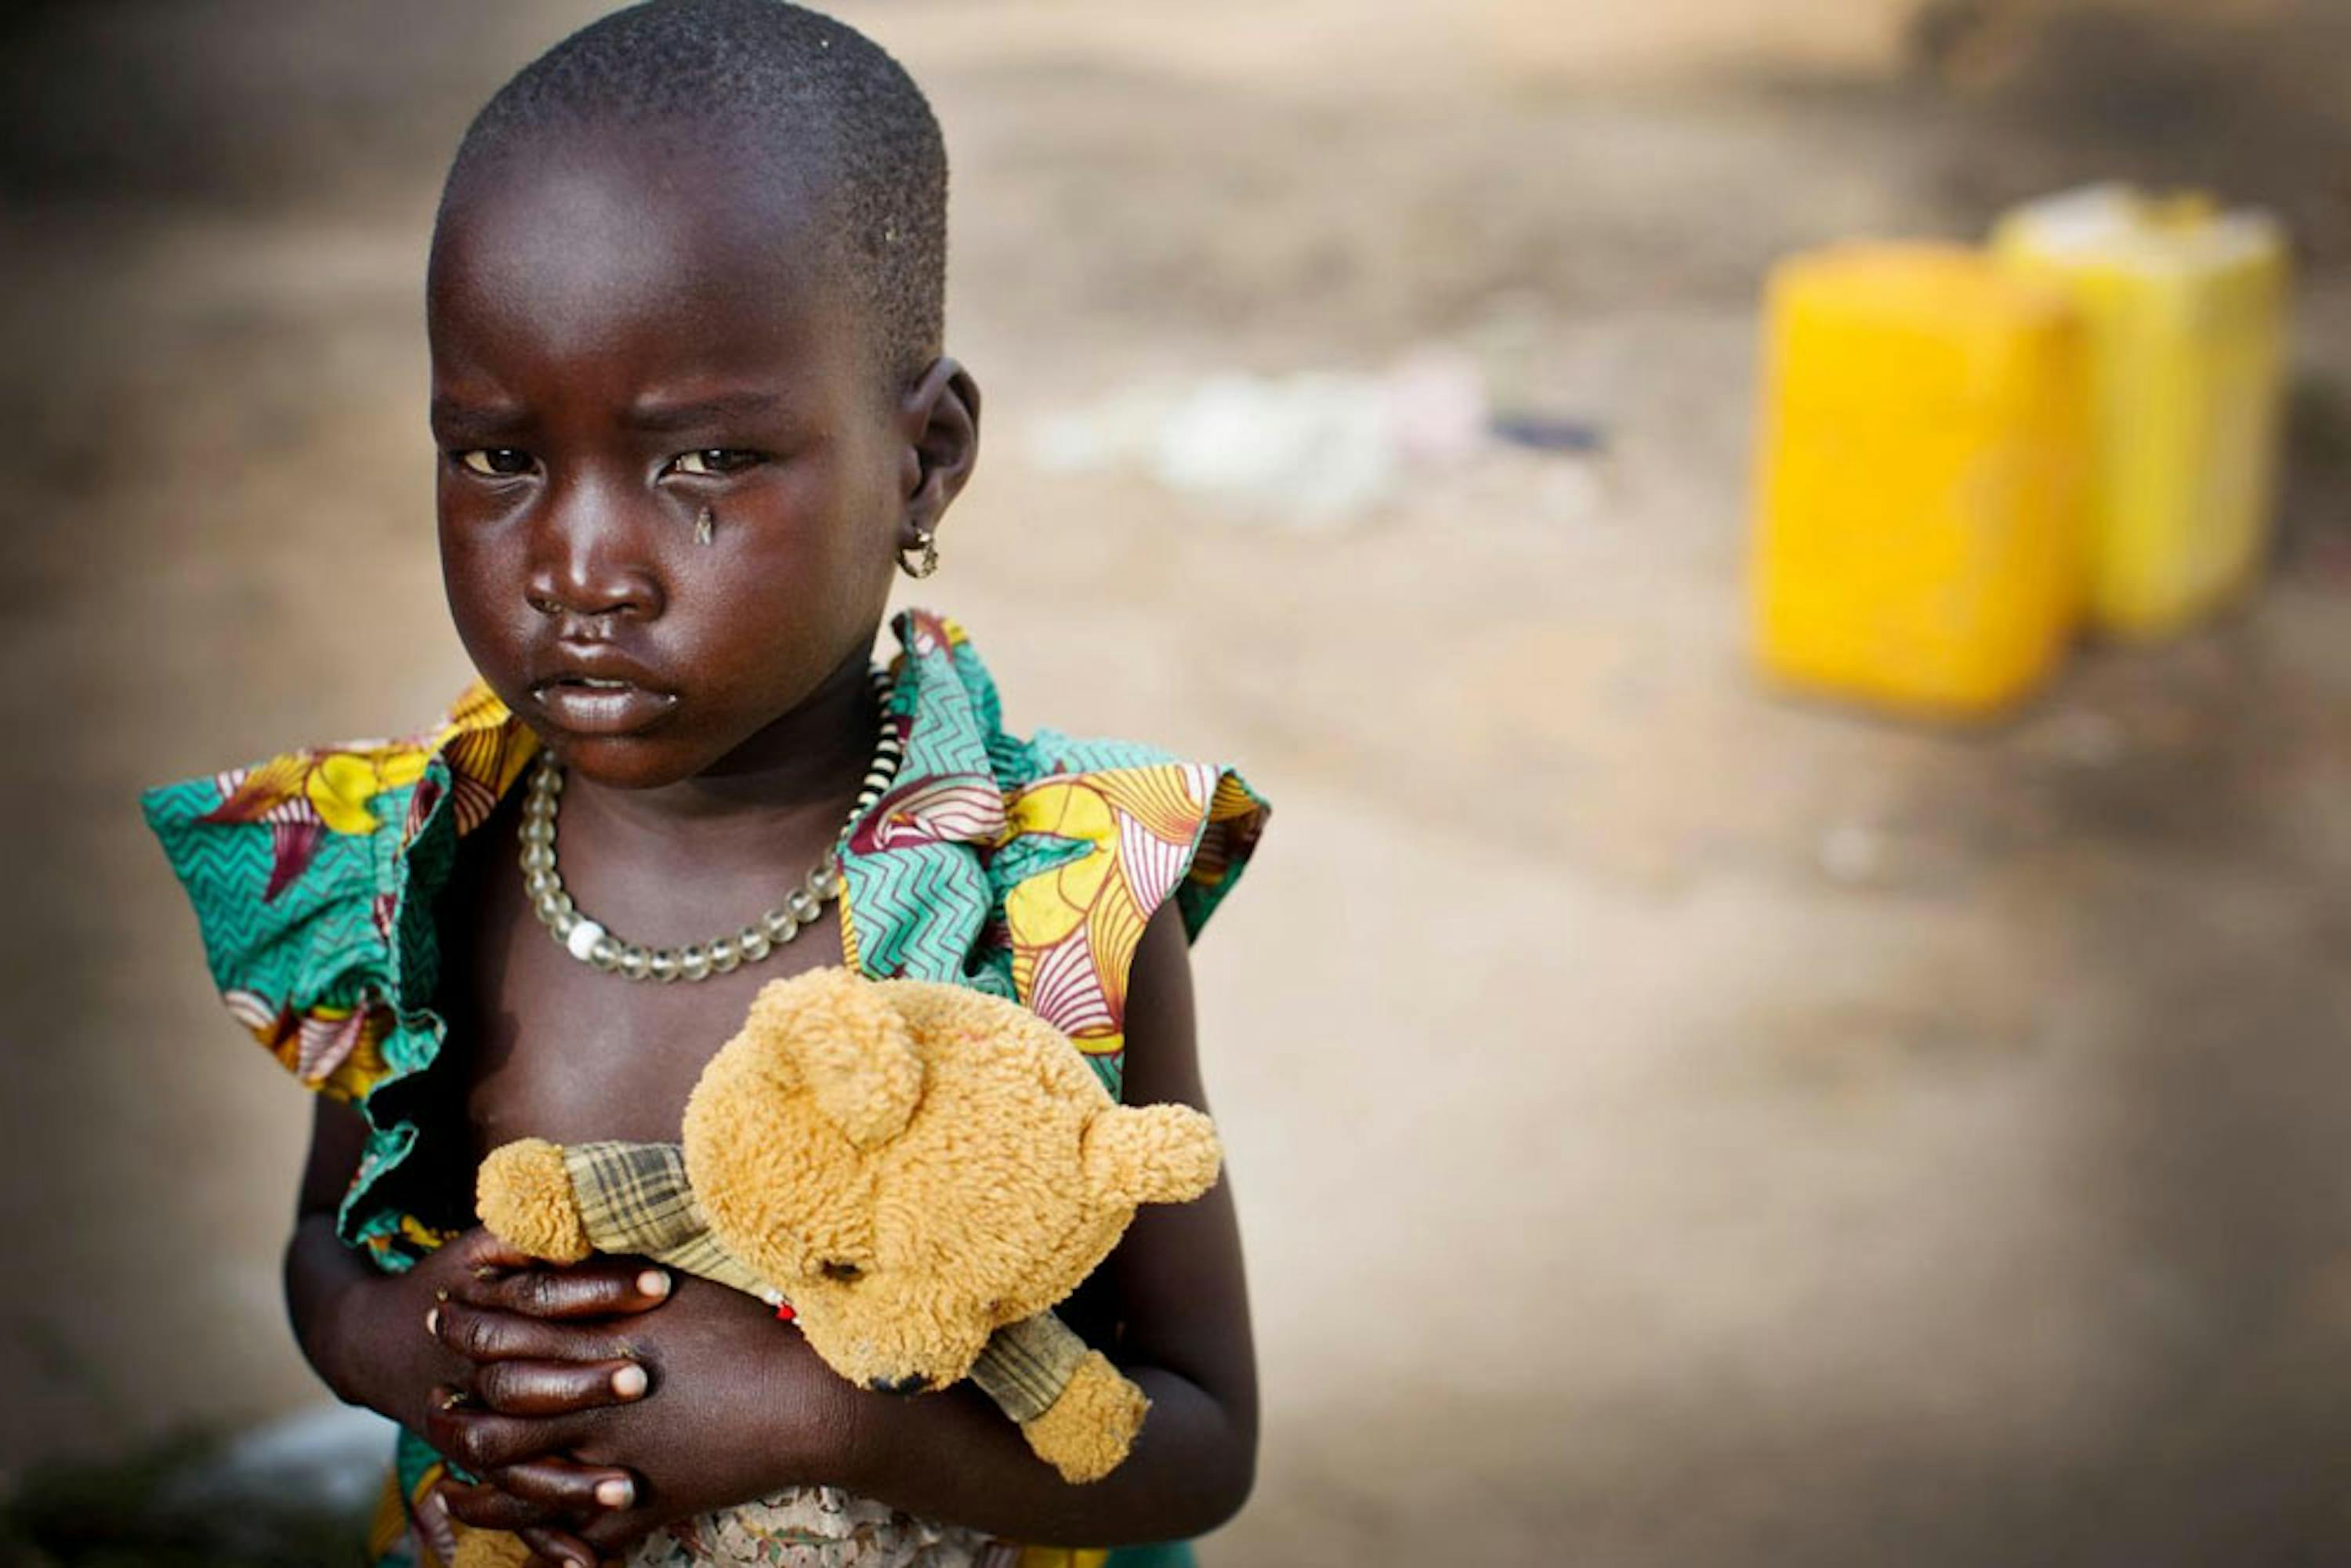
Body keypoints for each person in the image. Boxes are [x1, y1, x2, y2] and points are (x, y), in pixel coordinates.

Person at [141, 4, 1269, 1565]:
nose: (579, 566)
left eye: (706, 464)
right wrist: (401, 1348)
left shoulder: (1057, 897)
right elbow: (324, 1248)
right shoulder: (414, 864)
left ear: (922, 457)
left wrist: (833, 1414)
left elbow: (1200, 1443)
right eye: (497, 458)